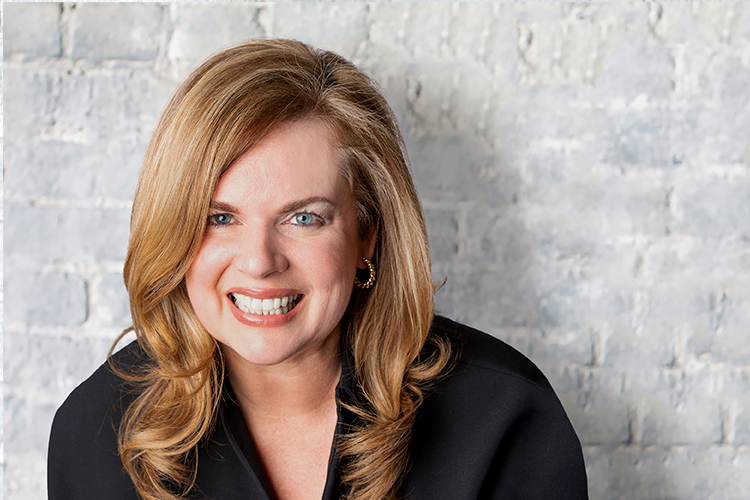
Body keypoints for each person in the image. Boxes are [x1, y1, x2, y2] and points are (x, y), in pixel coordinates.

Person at [48, 39, 588, 500]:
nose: (260, 261)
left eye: (304, 218)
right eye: (219, 218)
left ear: (366, 235)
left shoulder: (504, 417)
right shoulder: (96, 433)